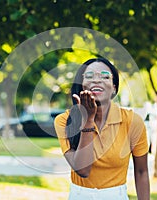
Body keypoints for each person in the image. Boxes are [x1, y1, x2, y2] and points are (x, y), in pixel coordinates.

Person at [54, 57, 150, 200]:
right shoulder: (64, 121)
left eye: (105, 76)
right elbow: (83, 170)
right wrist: (88, 121)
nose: (97, 80)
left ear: (114, 88)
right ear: (81, 86)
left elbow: (142, 172)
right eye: (90, 76)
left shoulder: (132, 122)